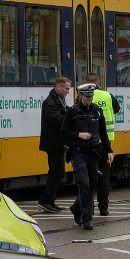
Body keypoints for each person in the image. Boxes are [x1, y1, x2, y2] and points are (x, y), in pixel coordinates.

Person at [62, 83, 112, 231]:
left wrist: (109, 150)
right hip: (78, 153)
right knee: (83, 184)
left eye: (91, 96)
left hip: (93, 153)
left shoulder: (97, 111)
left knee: (92, 184)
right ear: (80, 96)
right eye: (87, 96)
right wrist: (79, 135)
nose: (89, 99)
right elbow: (64, 132)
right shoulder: (72, 111)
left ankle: (76, 208)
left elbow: (103, 132)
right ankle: (87, 219)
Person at [84, 73, 120, 216]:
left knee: (89, 175)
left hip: (89, 142)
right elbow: (116, 109)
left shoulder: (83, 97)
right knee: (104, 176)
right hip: (106, 142)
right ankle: (103, 208)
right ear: (98, 82)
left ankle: (89, 206)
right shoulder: (108, 95)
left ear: (85, 83)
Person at [38, 76, 71, 212]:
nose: (68, 91)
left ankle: (50, 200)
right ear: (58, 87)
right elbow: (57, 120)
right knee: (57, 172)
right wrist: (70, 118)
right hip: (53, 142)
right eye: (66, 89)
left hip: (57, 142)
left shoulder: (58, 100)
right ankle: (46, 200)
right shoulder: (50, 103)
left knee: (55, 172)